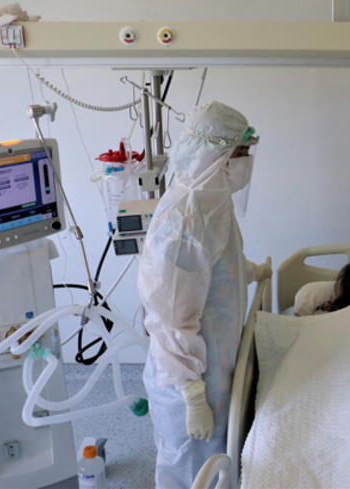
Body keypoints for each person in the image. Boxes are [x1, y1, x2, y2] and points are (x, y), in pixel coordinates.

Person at [137, 101, 268, 488]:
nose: (244, 163)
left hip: (213, 358)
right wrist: (193, 396)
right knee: (188, 463)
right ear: (216, 155)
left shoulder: (213, 200)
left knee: (215, 458)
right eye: (239, 154)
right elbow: (170, 319)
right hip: (187, 379)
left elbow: (220, 264)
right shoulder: (185, 222)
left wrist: (251, 272)